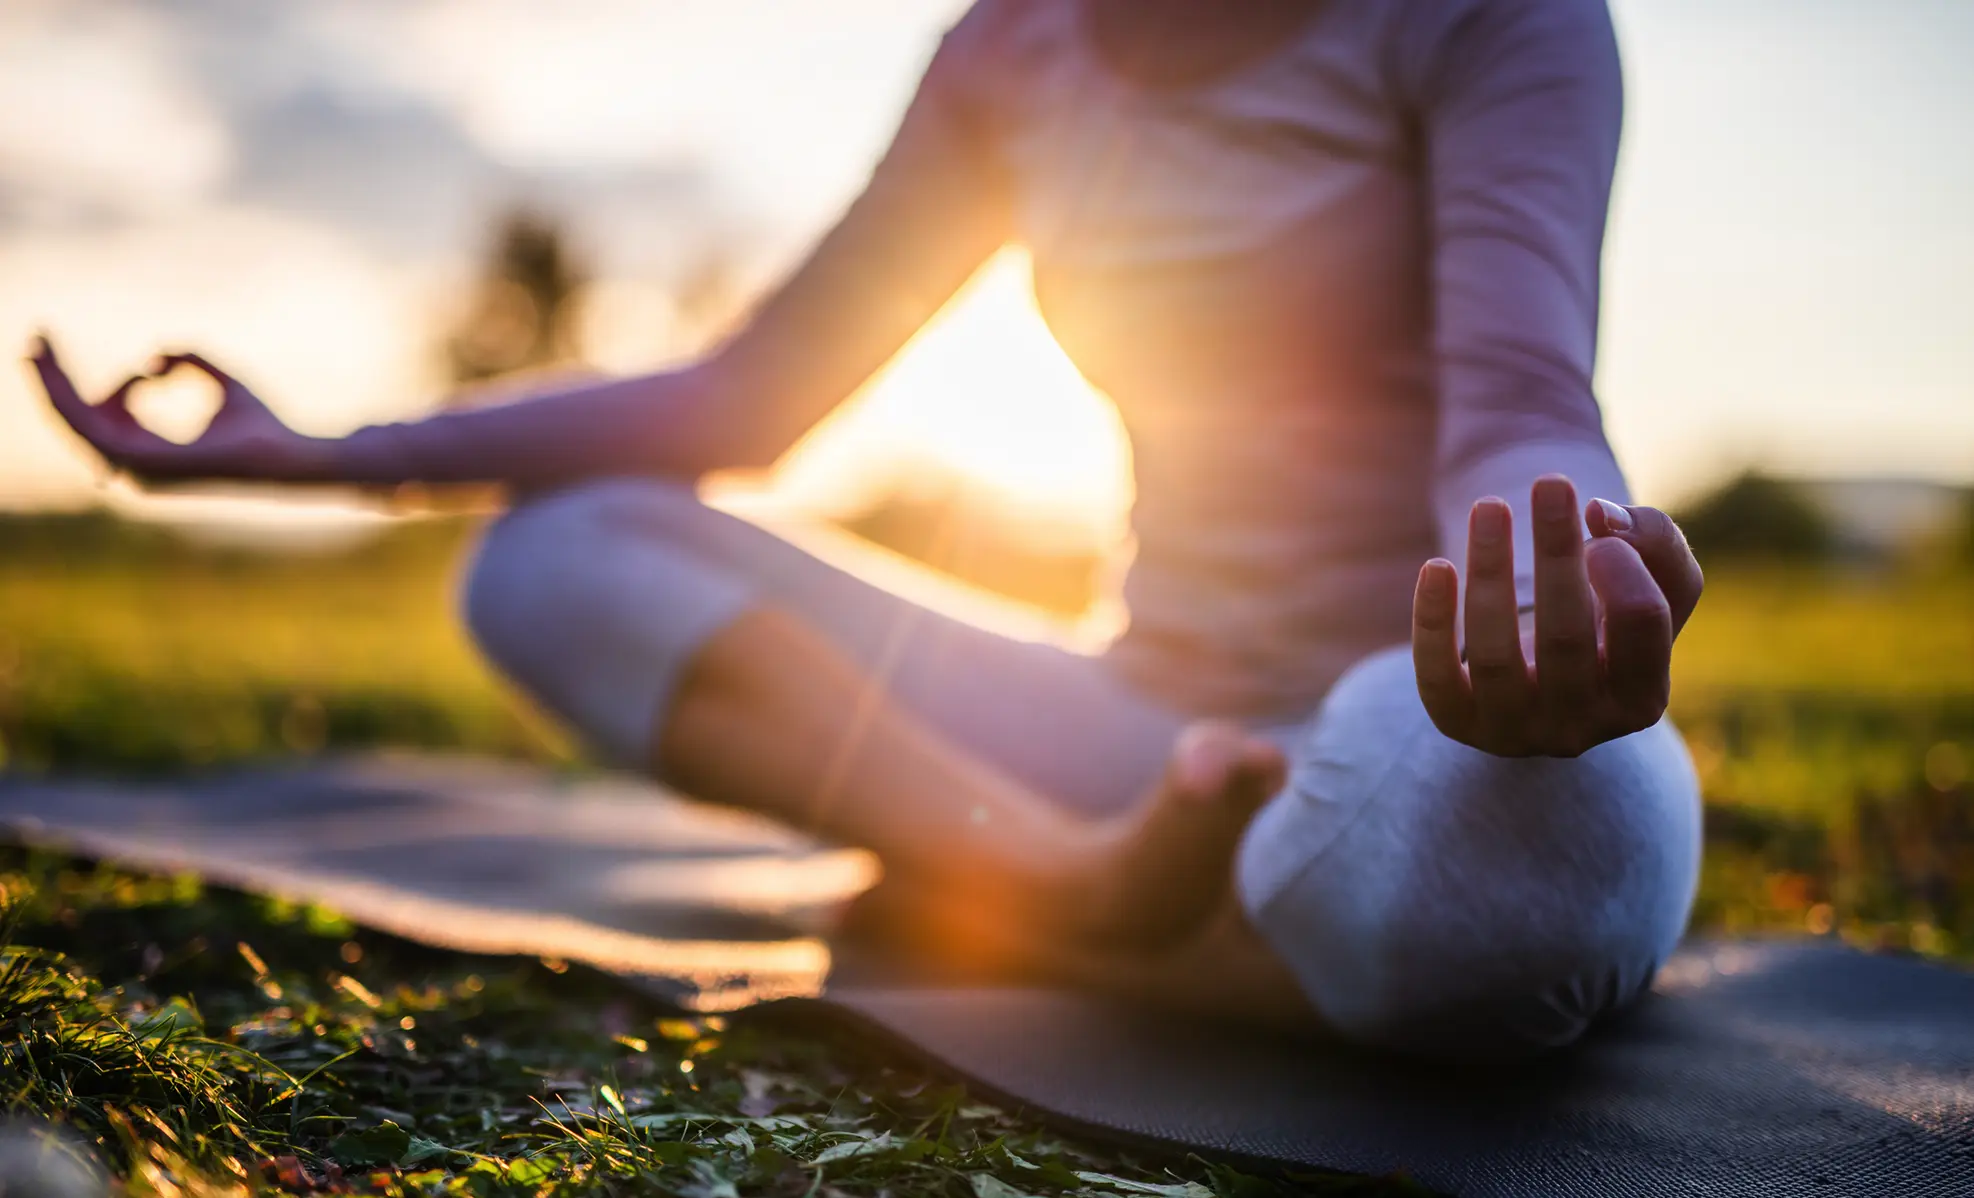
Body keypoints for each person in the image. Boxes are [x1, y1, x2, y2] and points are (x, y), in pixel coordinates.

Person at [29, 0, 1705, 1057]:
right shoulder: (1012, 53)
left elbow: (1514, 402)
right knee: (554, 554)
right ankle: (1072, 890)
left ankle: (1024, 894)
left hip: (1407, 722)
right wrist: (310, 452)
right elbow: (744, 400)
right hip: (1130, 731)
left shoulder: (1493, 18)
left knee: (1541, 867)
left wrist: (1545, 593)